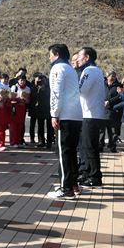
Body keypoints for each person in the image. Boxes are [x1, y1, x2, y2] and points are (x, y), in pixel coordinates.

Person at [46, 44, 82, 200]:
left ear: (56, 54)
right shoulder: (70, 69)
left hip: (65, 115)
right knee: (71, 151)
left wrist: (54, 114)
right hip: (75, 115)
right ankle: (73, 184)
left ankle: (66, 188)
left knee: (64, 153)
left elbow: (56, 92)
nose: (49, 58)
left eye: (50, 54)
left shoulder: (58, 68)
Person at [76, 46, 108, 188]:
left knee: (90, 147)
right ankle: (89, 173)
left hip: (91, 114)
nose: (78, 59)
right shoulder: (95, 70)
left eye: (80, 56)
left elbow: (80, 90)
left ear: (87, 57)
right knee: (87, 146)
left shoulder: (89, 71)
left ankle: (95, 177)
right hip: (92, 114)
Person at [9, 74, 30, 147]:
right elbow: (10, 98)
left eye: (23, 80)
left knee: (20, 125)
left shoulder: (27, 88)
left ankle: (18, 142)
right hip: (14, 108)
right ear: (18, 80)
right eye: (21, 80)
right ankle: (13, 142)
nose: (22, 82)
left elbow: (28, 100)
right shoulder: (14, 87)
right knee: (13, 126)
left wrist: (25, 100)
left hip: (22, 108)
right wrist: (18, 99)